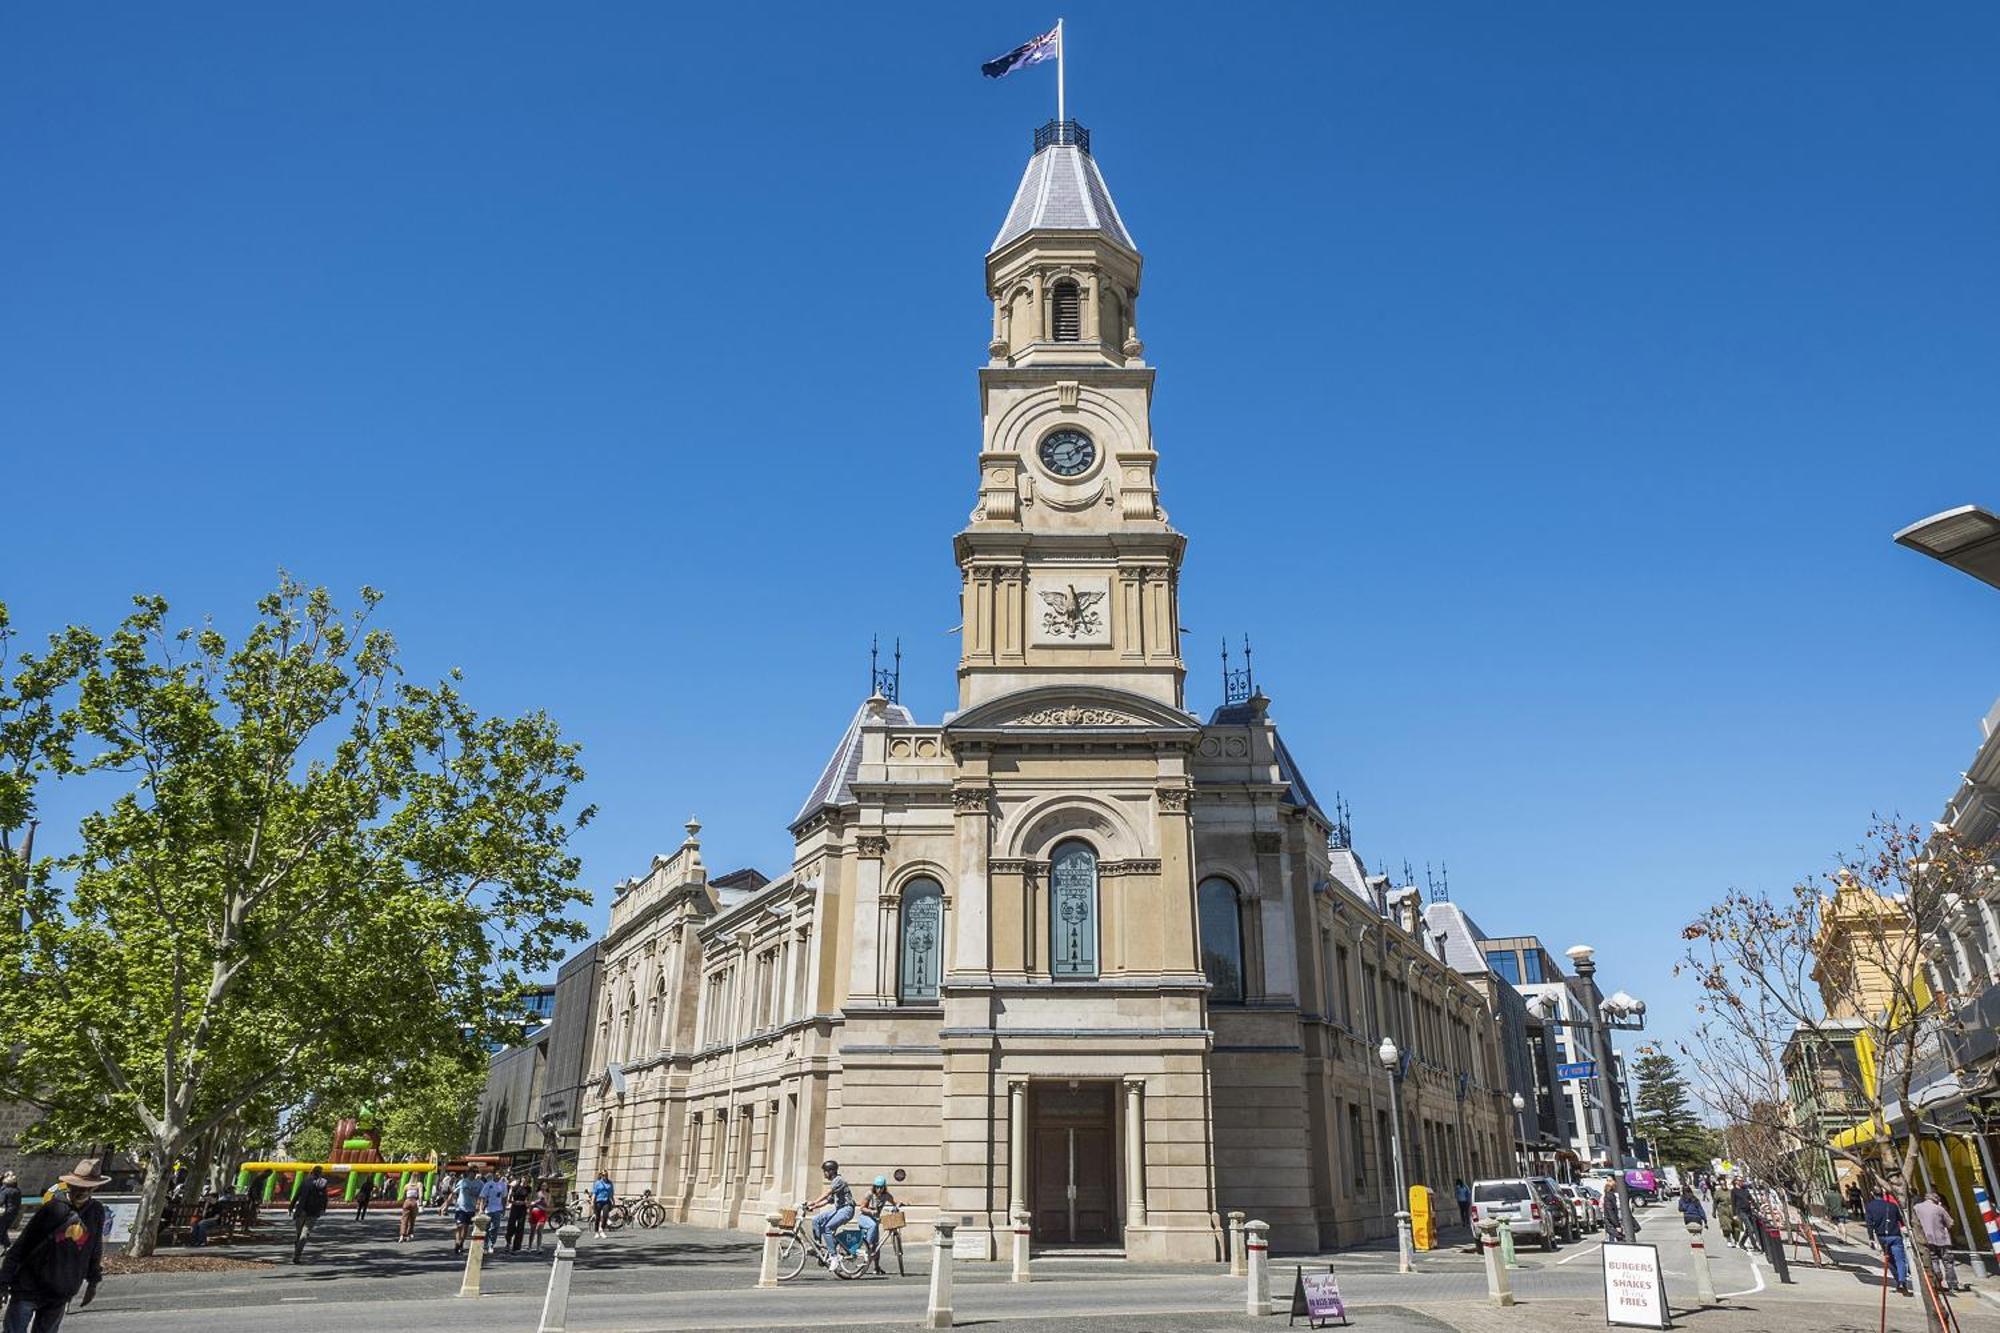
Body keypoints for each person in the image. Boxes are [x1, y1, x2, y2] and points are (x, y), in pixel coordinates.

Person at [0, 1159, 108, 1331]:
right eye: (78, 1187)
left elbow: (94, 1248)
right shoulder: (52, 1209)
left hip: (62, 1290)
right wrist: (3, 1283)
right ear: (69, 1186)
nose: (82, 1191)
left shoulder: (96, 1211)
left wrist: (93, 1281)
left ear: (95, 1188)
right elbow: (21, 1246)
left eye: (88, 1188)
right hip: (29, 1287)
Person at [1864, 1185, 1911, 1296]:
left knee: (1889, 1260)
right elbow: (1901, 1220)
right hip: (1895, 1235)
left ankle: (1898, 1280)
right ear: (1883, 1194)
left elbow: (1869, 1224)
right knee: (1900, 1260)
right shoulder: (1892, 1206)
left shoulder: (1870, 1207)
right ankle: (1902, 1282)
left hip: (1882, 1237)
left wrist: (1871, 1238)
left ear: (1872, 1194)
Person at [1911, 1190, 1959, 1293]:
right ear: (1936, 1199)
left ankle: (1938, 1283)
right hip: (1942, 1240)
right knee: (1948, 1263)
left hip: (1927, 1240)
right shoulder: (1939, 1208)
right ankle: (1953, 1285)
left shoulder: (1916, 1208)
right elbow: (1950, 1223)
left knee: (1934, 1261)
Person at [805, 1160, 855, 1259]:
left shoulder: (838, 1180)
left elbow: (828, 1193)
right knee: (816, 1220)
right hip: (839, 1209)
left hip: (846, 1209)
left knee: (827, 1228)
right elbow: (828, 1200)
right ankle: (818, 1248)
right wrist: (813, 1207)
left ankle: (834, 1256)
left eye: (825, 1171)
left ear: (831, 1171)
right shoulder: (834, 1183)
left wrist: (814, 1201)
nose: (824, 1174)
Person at [289, 1165, 331, 1265]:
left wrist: (291, 1206)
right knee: (305, 1234)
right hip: (313, 1212)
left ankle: (296, 1253)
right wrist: (323, 1209)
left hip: (301, 1210)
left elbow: (297, 1194)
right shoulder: (322, 1183)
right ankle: (297, 1255)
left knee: (299, 1234)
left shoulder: (305, 1181)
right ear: (320, 1173)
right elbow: (325, 1197)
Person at [857, 1176, 898, 1274]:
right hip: (865, 1218)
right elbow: (862, 1208)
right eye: (877, 1187)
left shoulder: (886, 1195)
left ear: (884, 1187)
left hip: (874, 1220)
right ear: (874, 1187)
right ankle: (868, 1245)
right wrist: (871, 1212)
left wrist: (898, 1204)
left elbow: (894, 1202)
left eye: (881, 1187)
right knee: (872, 1235)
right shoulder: (869, 1194)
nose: (879, 1189)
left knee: (877, 1245)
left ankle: (876, 1267)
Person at [452, 1170, 481, 1255]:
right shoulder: (462, 1182)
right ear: (468, 1173)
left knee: (465, 1228)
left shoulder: (479, 1184)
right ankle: (457, 1243)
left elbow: (482, 1195)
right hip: (460, 1207)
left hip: (471, 1208)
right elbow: (454, 1192)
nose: (473, 1174)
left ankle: (461, 1243)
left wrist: (479, 1205)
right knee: (459, 1225)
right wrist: (446, 1205)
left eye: (475, 1172)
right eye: (472, 1172)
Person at [479, 1170, 508, 1252]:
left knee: (495, 1227)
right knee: (487, 1228)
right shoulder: (488, 1184)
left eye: (500, 1174)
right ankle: (485, 1244)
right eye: (496, 1173)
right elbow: (483, 1196)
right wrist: (481, 1209)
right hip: (488, 1209)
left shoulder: (503, 1185)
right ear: (494, 1174)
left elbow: (504, 1197)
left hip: (498, 1209)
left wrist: (504, 1209)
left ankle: (491, 1244)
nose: (498, 1175)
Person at [506, 1176, 532, 1252]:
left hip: (523, 1208)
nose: (525, 1183)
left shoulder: (528, 1188)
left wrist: (525, 1203)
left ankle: (517, 1246)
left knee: (520, 1227)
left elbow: (529, 1200)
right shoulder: (515, 1187)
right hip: (514, 1207)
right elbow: (509, 1199)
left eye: (526, 1181)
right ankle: (508, 1242)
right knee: (511, 1225)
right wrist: (515, 1202)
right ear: (521, 1180)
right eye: (524, 1181)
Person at [590, 1172, 615, 1238]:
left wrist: (613, 1201)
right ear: (601, 1176)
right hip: (598, 1201)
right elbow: (595, 1193)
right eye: (603, 1175)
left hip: (606, 1201)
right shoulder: (598, 1183)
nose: (604, 1176)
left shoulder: (610, 1183)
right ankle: (596, 1232)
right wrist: (592, 1202)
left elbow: (611, 1193)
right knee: (597, 1217)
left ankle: (602, 1229)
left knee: (605, 1215)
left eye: (606, 1175)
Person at [398, 1177, 423, 1243]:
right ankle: (408, 1235)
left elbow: (403, 1195)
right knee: (412, 1220)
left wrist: (402, 1202)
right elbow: (420, 1195)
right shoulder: (419, 1184)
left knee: (404, 1219)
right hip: (414, 1202)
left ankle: (402, 1236)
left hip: (407, 1201)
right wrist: (420, 1204)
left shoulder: (407, 1185)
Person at [0, 1172, 20, 1250]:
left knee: (1, 1230)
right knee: (3, 1230)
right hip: (14, 1213)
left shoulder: (5, 1191)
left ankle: (6, 1246)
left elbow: (1, 1201)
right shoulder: (17, 1190)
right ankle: (7, 1246)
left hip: (5, 1213)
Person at [528, 1187, 550, 1252]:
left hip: (542, 1214)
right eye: (542, 1185)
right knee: (532, 1231)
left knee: (539, 1231)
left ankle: (538, 1247)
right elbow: (531, 1203)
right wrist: (537, 1201)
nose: (544, 1187)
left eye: (545, 1186)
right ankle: (530, 1247)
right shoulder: (535, 1194)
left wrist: (544, 1200)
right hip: (534, 1213)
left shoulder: (548, 1195)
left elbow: (547, 1205)